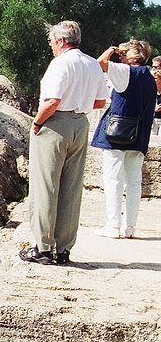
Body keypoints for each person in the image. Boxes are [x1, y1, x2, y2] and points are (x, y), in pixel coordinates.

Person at [21, 20, 109, 265]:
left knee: (45, 185)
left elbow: (51, 100)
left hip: (54, 123)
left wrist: (37, 123)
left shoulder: (60, 63)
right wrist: (79, 103)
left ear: (60, 40)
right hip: (80, 123)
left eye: (51, 41)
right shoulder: (93, 64)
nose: (50, 46)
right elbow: (100, 102)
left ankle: (43, 247)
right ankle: (64, 249)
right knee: (71, 187)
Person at [90, 39, 157, 238]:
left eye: (122, 55)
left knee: (113, 179)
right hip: (139, 135)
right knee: (134, 181)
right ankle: (130, 227)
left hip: (118, 134)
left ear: (129, 55)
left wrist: (110, 49)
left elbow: (100, 63)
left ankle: (112, 225)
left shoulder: (124, 71)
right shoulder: (148, 76)